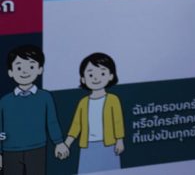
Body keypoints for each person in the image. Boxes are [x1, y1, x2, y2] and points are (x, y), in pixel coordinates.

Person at [0, 45, 70, 173]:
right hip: (10, 150)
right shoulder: (5, 101)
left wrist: (59, 142)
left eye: (31, 67)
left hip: (37, 148)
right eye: (19, 67)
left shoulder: (45, 97)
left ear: (40, 69)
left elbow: (52, 122)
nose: (24, 72)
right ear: (10, 72)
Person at [63, 53, 125, 172]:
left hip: (109, 145)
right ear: (83, 79)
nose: (96, 78)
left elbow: (118, 121)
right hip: (88, 146)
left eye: (102, 73)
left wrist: (120, 140)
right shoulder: (83, 102)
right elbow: (76, 125)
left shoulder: (113, 100)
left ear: (111, 76)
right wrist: (67, 144)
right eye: (91, 74)